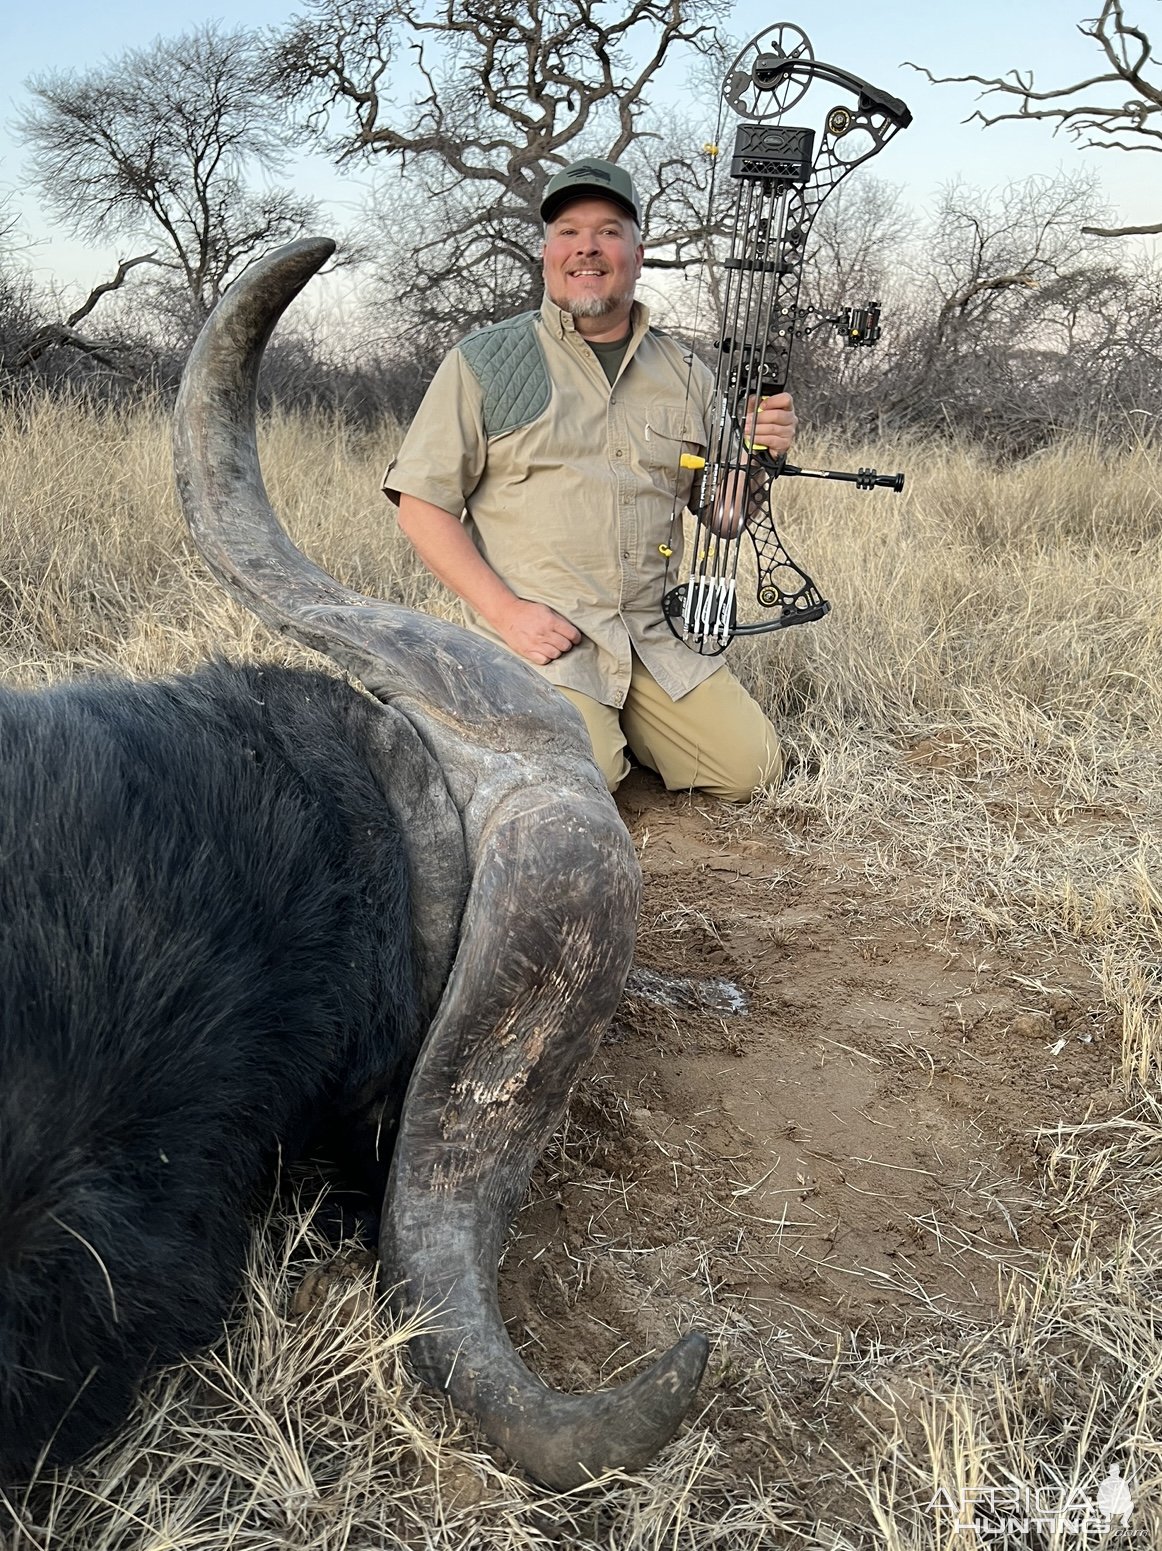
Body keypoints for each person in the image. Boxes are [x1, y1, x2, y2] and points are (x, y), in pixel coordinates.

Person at [383, 158, 798, 800]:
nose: (587, 248)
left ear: (636, 251)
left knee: (753, 770)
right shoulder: (483, 361)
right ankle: (576, 723)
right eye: (568, 232)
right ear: (547, 253)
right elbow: (421, 507)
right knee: (582, 776)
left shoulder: (686, 371)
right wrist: (508, 613)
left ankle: (624, 721)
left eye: (608, 231)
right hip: (545, 635)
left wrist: (757, 457)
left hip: (654, 632)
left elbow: (723, 516)